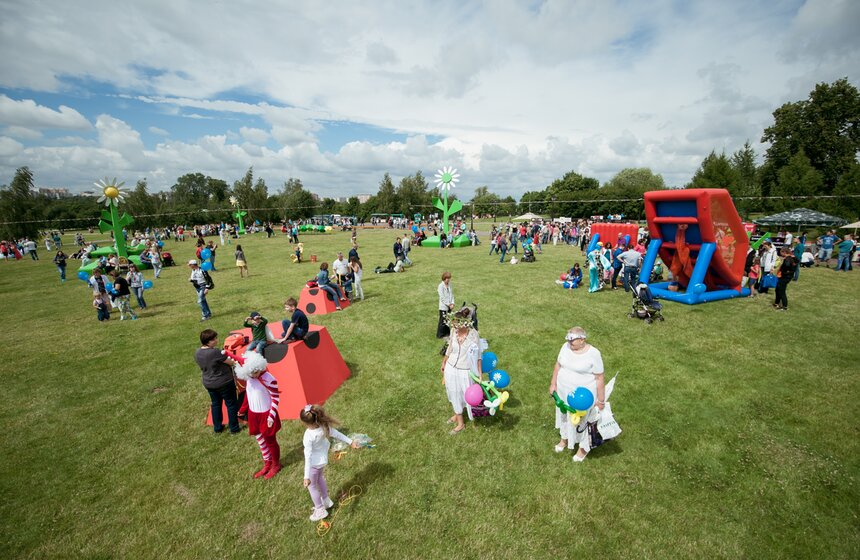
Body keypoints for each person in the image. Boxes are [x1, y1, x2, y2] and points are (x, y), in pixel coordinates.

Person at [548, 327, 605, 462]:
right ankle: (565, 439)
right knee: (564, 416)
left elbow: (600, 378)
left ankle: (583, 449)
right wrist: (553, 384)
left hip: (582, 398)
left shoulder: (594, 354)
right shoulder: (565, 347)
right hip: (564, 393)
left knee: (583, 422)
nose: (569, 342)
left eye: (572, 340)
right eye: (568, 339)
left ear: (582, 339)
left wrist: (601, 400)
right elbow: (558, 365)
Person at [299, 404, 360, 522]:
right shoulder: (323, 426)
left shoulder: (308, 435)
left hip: (314, 464)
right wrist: (350, 441)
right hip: (322, 461)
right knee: (320, 478)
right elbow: (337, 434)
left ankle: (320, 509)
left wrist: (306, 477)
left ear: (305, 423)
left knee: (312, 485)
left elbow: (308, 457)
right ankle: (326, 500)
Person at [234, 351, 282, 479]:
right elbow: (248, 395)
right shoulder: (250, 378)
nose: (254, 375)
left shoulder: (269, 379)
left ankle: (276, 465)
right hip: (253, 414)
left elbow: (276, 398)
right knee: (260, 440)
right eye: (251, 373)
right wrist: (242, 410)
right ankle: (267, 462)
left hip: (266, 414)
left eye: (256, 371)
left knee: (270, 441)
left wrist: (271, 416)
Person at [439, 308, 482, 435]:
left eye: (456, 323)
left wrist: (479, 374)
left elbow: (479, 355)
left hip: (465, 370)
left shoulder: (473, 335)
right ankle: (459, 420)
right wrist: (444, 361)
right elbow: (450, 347)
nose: (453, 326)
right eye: (453, 323)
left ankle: (460, 418)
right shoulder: (454, 331)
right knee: (453, 392)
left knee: (464, 394)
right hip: (451, 368)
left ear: (464, 323)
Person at [196, 329, 241, 434]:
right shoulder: (215, 352)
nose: (216, 340)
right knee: (231, 404)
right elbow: (230, 362)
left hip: (209, 383)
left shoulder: (197, 352)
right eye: (214, 339)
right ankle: (234, 428)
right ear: (208, 341)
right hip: (224, 382)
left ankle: (218, 428)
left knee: (216, 404)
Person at [437, 271, 454, 338]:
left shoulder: (450, 284)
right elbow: (442, 297)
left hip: (450, 306)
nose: (449, 280)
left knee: (448, 320)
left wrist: (452, 303)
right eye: (447, 278)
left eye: (449, 278)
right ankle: (440, 335)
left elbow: (452, 294)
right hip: (443, 306)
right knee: (442, 321)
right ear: (444, 278)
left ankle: (447, 333)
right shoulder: (440, 286)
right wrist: (449, 304)